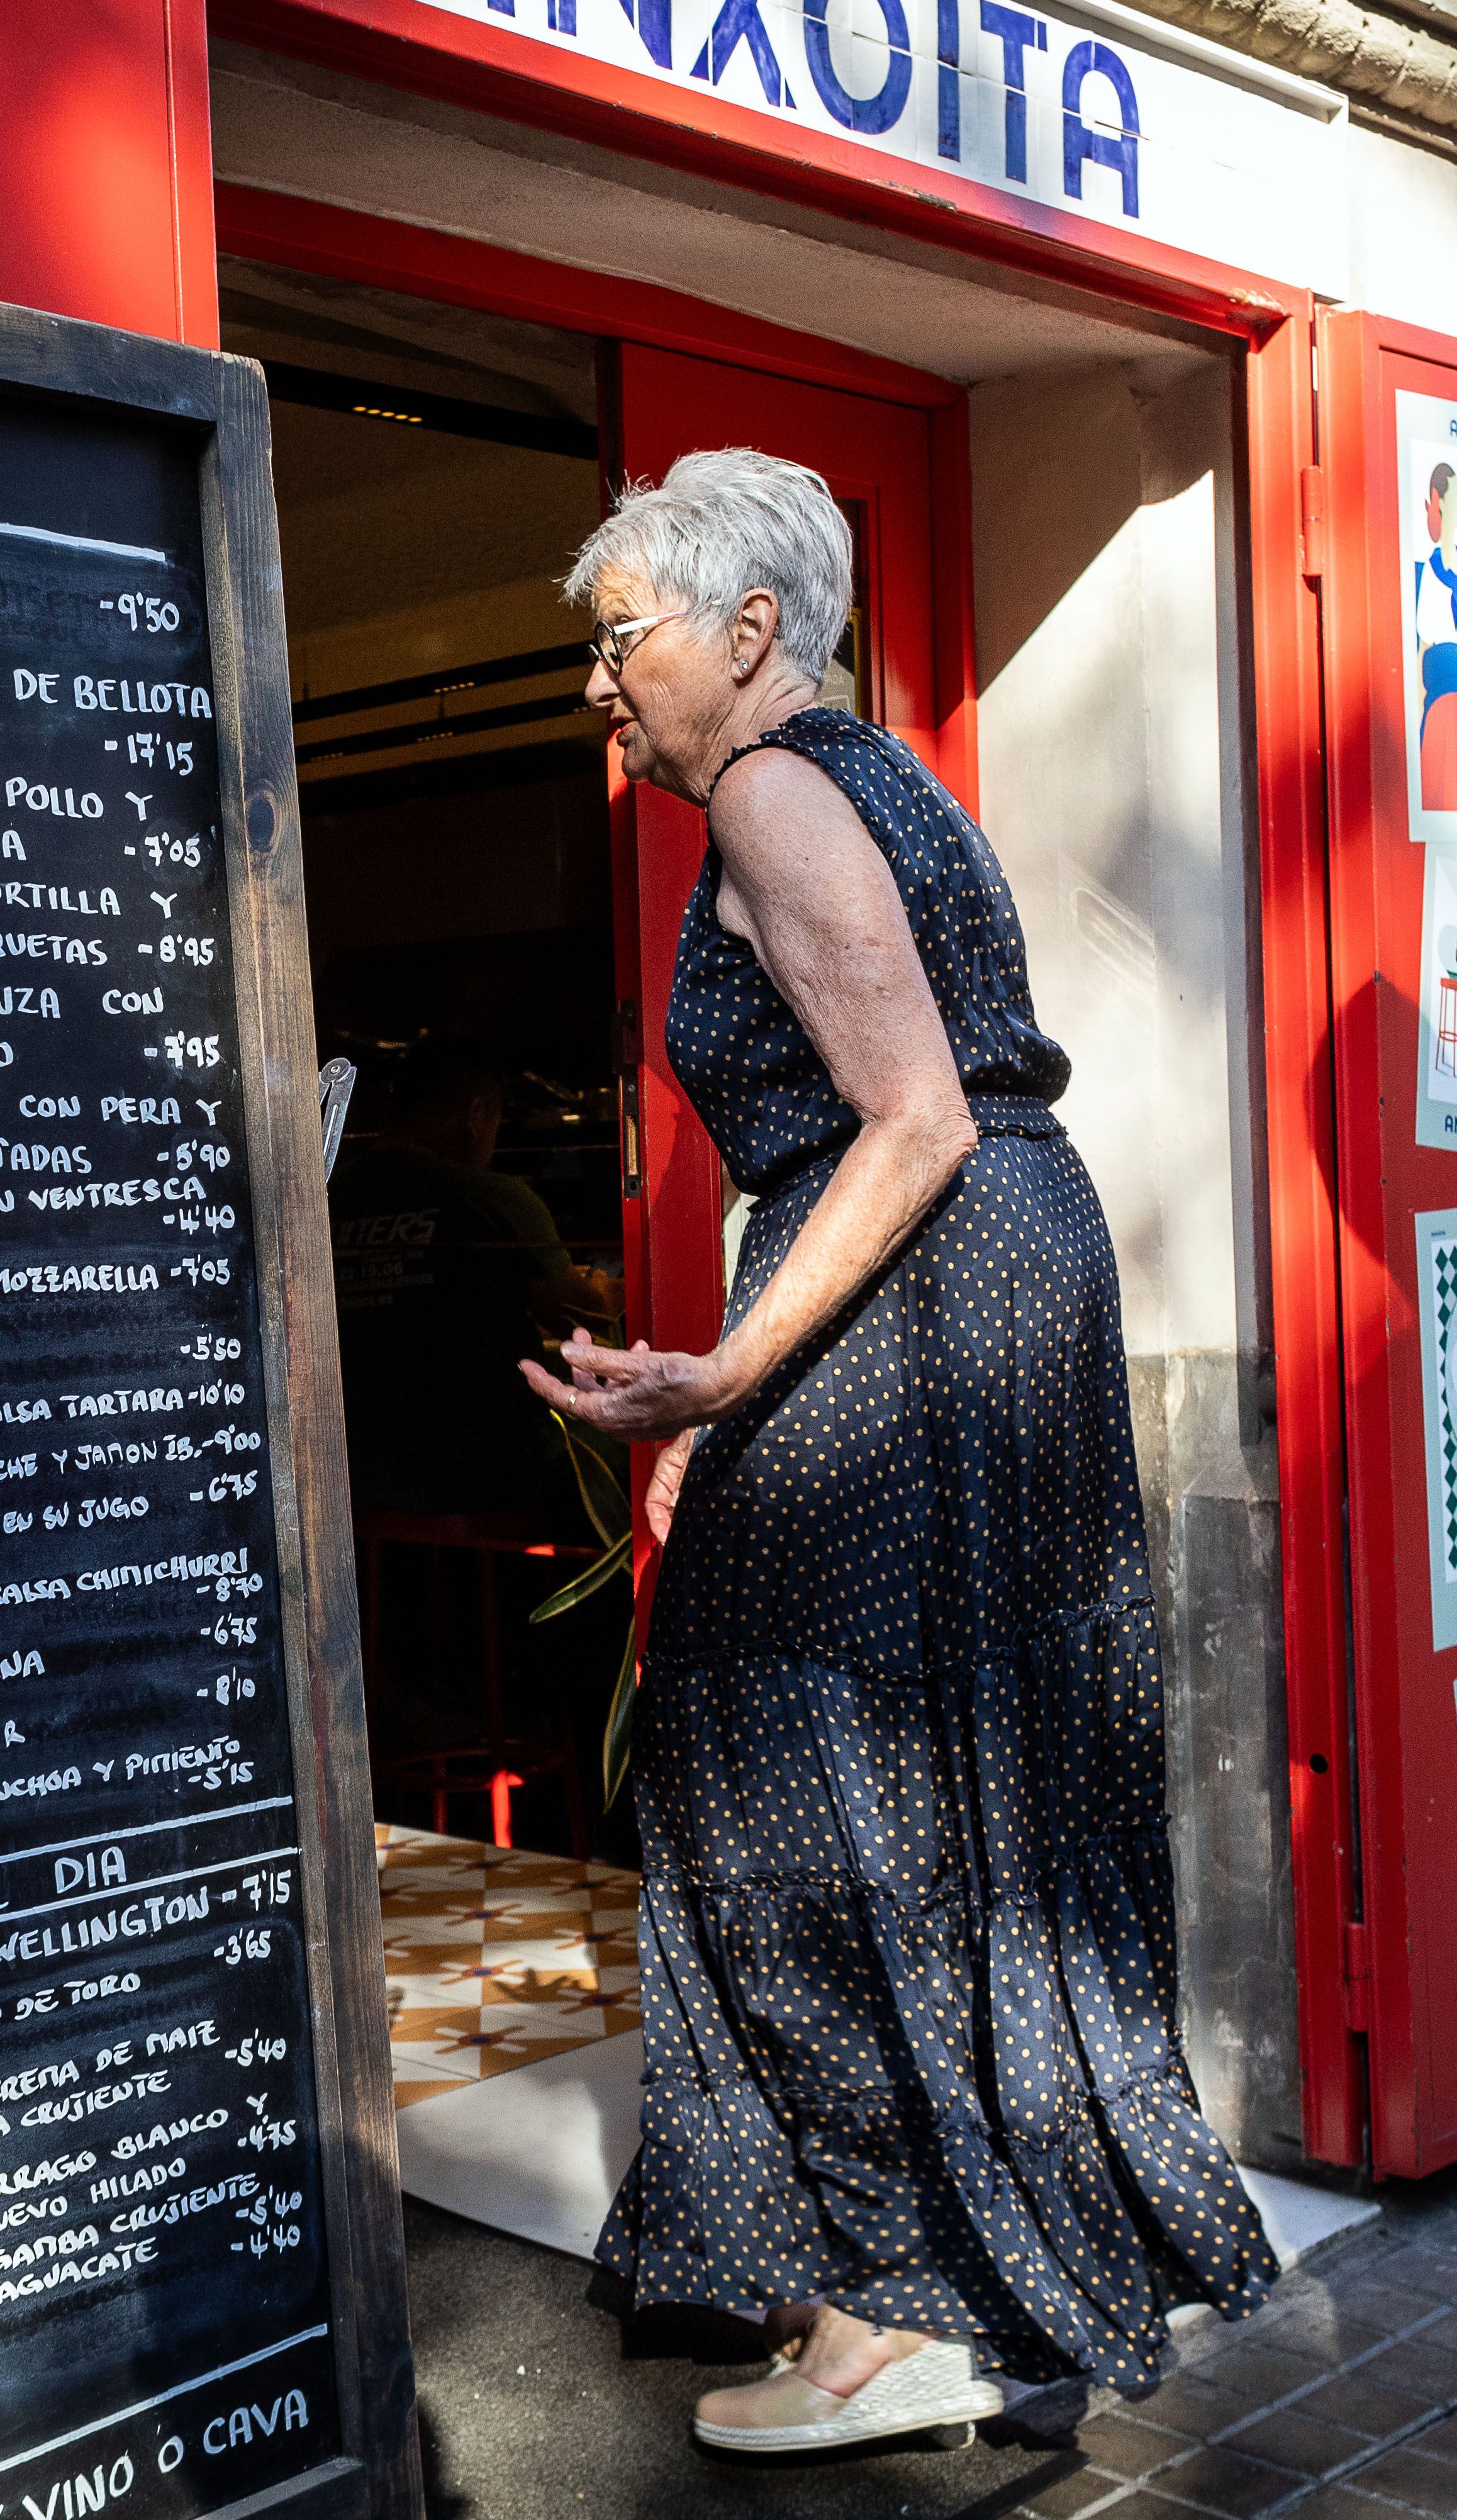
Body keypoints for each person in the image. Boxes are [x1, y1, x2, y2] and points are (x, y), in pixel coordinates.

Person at [517, 448, 1275, 2453]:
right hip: (980, 1285)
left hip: (928, 1279)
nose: (599, 683)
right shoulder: (887, 775)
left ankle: (878, 2309)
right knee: (951, 1769)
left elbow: (912, 1115)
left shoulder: (772, 784)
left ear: (743, 631)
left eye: (621, 638)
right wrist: (739, 1396)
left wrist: (714, 1374)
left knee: (779, 1770)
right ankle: (970, 2270)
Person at [326, 1040, 606, 1521]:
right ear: (476, 1115)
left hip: (350, 1481)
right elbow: (578, 1317)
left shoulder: (327, 1198)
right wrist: (602, 1284)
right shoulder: (493, 1197)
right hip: (489, 1480)